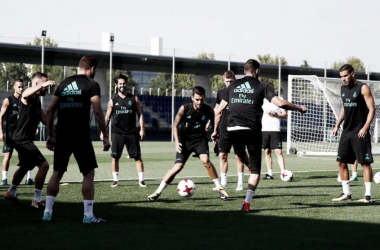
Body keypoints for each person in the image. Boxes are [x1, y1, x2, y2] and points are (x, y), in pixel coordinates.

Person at [212, 59, 307, 212]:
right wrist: (299, 108)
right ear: (257, 71)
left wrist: (215, 130)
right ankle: (246, 204)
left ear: (244, 71)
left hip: (232, 129)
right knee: (256, 171)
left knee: (240, 154)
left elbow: (219, 110)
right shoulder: (262, 86)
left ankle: (248, 165)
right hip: (252, 130)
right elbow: (281, 104)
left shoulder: (232, 86)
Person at [44, 55, 111, 223]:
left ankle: (47, 212)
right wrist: (105, 135)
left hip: (63, 134)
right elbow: (97, 111)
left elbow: (50, 110)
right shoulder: (92, 84)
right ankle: (88, 215)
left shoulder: (64, 83)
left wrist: (50, 134)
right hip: (80, 135)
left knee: (57, 172)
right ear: (93, 69)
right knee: (88, 172)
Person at [147, 86, 228, 201]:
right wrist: (177, 142)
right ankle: (157, 192)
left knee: (206, 161)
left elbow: (216, 126)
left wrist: (216, 142)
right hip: (185, 140)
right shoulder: (184, 109)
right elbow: (175, 125)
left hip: (200, 140)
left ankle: (220, 188)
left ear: (204, 98)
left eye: (202, 99)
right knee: (178, 167)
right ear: (192, 98)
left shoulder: (209, 110)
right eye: (197, 99)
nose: (199, 102)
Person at [3, 73, 55, 209]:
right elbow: (25, 94)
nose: (47, 88)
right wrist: (44, 84)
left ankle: (11, 192)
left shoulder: (37, 100)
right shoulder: (28, 96)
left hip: (23, 139)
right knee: (44, 166)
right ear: (38, 84)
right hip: (22, 139)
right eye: (45, 85)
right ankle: (36, 200)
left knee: (26, 166)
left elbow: (46, 119)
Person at [331, 64, 375, 203]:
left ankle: (368, 195)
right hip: (346, 131)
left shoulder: (363, 87)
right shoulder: (343, 88)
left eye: (345, 75)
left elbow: (372, 109)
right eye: (341, 77)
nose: (343, 79)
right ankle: (346, 193)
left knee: (365, 163)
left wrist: (365, 127)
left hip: (360, 132)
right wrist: (337, 125)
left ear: (352, 74)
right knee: (341, 162)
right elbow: (344, 108)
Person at [104, 74, 146, 188]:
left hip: (131, 133)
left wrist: (142, 129)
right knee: (115, 157)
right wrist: (103, 132)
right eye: (120, 83)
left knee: (137, 157)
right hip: (117, 133)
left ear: (126, 84)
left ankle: (141, 180)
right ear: (116, 85)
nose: (122, 85)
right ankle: (115, 180)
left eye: (124, 83)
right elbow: (107, 117)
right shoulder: (113, 100)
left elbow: (140, 114)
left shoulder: (134, 99)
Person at [213, 71, 245, 191]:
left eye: (231, 81)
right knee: (222, 155)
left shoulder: (241, 93)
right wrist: (212, 125)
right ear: (223, 81)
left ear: (235, 80)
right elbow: (217, 110)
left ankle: (240, 183)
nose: (229, 83)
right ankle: (224, 183)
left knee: (239, 156)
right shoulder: (220, 93)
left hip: (238, 128)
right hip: (224, 129)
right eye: (227, 81)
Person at [0, 79, 33, 186]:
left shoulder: (25, 100)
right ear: (14, 87)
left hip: (23, 133)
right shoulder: (8, 100)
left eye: (22, 86)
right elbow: (1, 116)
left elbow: (29, 115)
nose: (21, 88)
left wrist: (33, 126)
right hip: (10, 133)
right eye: (19, 86)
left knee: (28, 156)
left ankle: (28, 179)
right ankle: (4, 179)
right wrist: (1, 132)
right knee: (7, 156)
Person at [261, 81, 288, 180]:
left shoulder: (279, 100)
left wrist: (275, 114)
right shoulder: (262, 100)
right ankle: (270, 173)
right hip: (264, 129)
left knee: (278, 151)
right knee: (267, 151)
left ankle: (283, 173)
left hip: (275, 129)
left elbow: (285, 115)